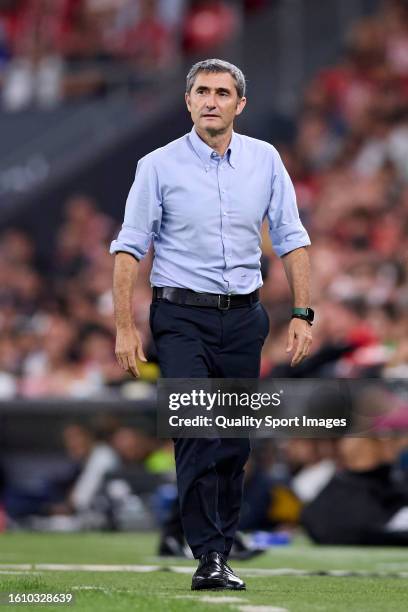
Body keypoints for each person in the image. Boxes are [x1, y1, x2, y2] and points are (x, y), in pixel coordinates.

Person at [110, 58, 313, 591]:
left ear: (239, 104)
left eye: (222, 93)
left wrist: (301, 312)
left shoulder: (266, 160)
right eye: (202, 91)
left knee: (234, 441)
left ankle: (218, 549)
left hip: (245, 318)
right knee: (196, 429)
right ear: (188, 100)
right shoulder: (157, 165)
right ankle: (209, 554)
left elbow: (292, 236)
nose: (211, 100)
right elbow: (129, 247)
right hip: (178, 316)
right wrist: (125, 327)